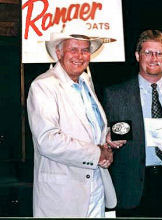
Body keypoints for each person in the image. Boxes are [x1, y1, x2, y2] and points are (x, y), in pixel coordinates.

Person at [102, 29, 162, 217]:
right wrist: (109, 141)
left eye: (159, 53)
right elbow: (105, 140)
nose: (154, 58)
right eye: (148, 52)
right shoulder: (115, 95)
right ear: (137, 56)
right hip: (132, 189)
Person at [27, 32, 117, 217]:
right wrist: (97, 153)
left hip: (96, 188)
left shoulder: (85, 81)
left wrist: (108, 137)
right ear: (58, 53)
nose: (80, 56)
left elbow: (87, 129)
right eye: (73, 50)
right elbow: (48, 140)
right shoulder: (43, 85)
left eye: (85, 50)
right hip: (62, 196)